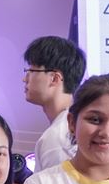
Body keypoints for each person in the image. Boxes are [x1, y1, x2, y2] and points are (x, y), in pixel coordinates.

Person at [22, 35, 85, 171]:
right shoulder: (71, 125)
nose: (24, 79)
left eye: (31, 71)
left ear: (54, 78)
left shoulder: (58, 137)